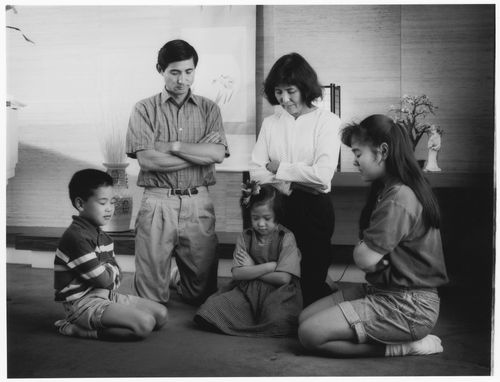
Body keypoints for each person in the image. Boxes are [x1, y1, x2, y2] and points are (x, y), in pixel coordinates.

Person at [298, 114, 449, 358]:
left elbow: (364, 259)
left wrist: (362, 249)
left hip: (408, 306)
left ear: (382, 151)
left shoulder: (400, 197)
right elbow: (370, 256)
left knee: (309, 335)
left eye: (358, 154)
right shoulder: (389, 190)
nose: (355, 162)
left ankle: (404, 346)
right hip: (381, 290)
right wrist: (365, 250)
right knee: (304, 318)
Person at [126, 39, 229, 306]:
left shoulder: (210, 109)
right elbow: (149, 161)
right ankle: (162, 279)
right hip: (158, 201)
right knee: (151, 300)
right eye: (174, 72)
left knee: (200, 296)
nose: (182, 80)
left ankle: (174, 276)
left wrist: (173, 147)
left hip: (198, 202)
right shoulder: (144, 109)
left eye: (188, 71)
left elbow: (217, 154)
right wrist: (200, 155)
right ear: (160, 70)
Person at [250, 52, 342, 306]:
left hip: (315, 209)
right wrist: (297, 178)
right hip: (278, 206)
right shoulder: (271, 123)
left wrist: (279, 169)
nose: (284, 99)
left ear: (304, 87)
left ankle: (310, 316)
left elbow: (323, 176)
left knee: (312, 275)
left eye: (290, 91)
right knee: (280, 272)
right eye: (278, 92)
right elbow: (256, 171)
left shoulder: (328, 121)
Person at [53, 169, 168, 341]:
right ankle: (76, 328)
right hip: (82, 304)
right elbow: (106, 280)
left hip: (104, 294)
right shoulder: (76, 238)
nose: (109, 209)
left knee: (161, 315)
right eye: (102, 202)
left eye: (112, 202)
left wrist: (109, 272)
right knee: (144, 325)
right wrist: (110, 270)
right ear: (80, 204)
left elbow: (111, 278)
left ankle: (111, 315)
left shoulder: (102, 236)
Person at [194, 182, 303, 337]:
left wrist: (251, 267)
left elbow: (284, 278)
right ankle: (254, 324)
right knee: (211, 308)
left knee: (278, 317)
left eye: (267, 218)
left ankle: (254, 324)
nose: (260, 223)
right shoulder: (245, 237)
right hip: (247, 291)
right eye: (255, 218)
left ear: (277, 216)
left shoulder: (286, 237)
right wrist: (269, 266)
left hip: (278, 293)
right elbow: (238, 274)